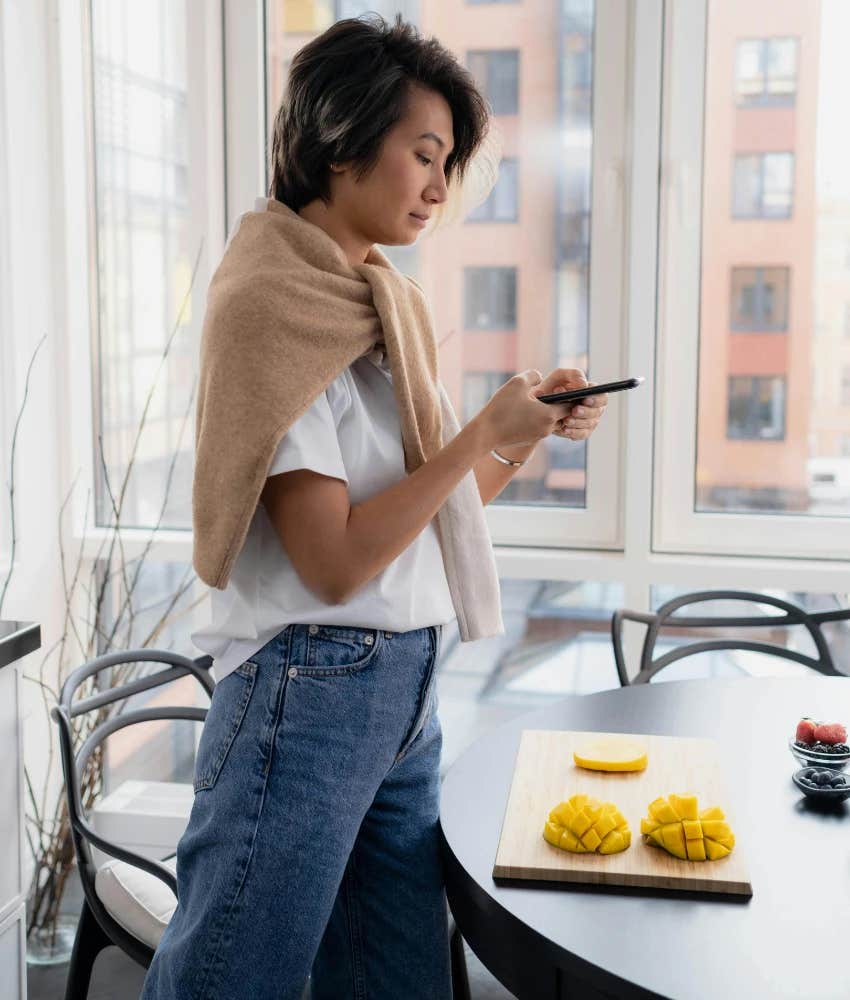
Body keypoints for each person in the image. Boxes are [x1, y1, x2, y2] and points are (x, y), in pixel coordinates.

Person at [140, 14, 607, 1000]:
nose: (439, 186)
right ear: (341, 142)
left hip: (399, 691)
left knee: (399, 984)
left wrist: (519, 433)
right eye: (423, 155)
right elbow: (336, 563)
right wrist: (476, 434)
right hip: (306, 693)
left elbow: (424, 521)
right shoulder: (273, 306)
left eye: (449, 163)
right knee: (231, 983)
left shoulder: (374, 300)